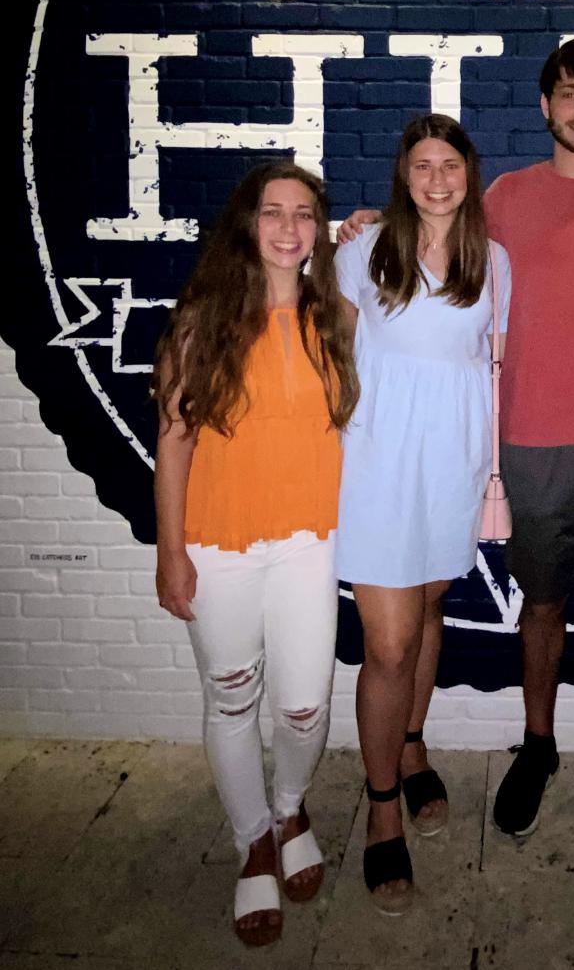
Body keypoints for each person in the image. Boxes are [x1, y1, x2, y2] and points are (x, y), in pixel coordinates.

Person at [338, 36, 574, 853]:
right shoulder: (506, 199)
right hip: (531, 439)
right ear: (545, 105)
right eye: (569, 92)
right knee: (542, 606)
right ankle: (538, 746)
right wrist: (366, 221)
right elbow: (421, 227)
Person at [153, 162, 358, 949]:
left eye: (303, 213)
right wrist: (171, 552)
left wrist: (373, 226)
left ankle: (290, 803)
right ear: (247, 223)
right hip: (219, 542)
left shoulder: (337, 316)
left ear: (317, 231)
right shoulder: (202, 320)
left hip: (309, 540)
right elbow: (173, 444)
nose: (287, 227)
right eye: (272, 211)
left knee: (305, 704)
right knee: (232, 698)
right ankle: (254, 841)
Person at [335, 114, 510, 915]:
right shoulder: (363, 249)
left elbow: (493, 365)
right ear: (403, 176)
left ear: (469, 174)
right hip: (376, 463)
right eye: (422, 165)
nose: (437, 179)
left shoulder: (494, 261)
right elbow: (334, 356)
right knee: (388, 641)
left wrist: (495, 470)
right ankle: (380, 809)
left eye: (450, 165)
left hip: (453, 462)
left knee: (430, 606)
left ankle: (410, 746)